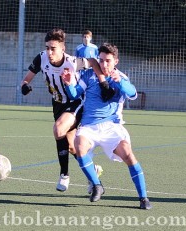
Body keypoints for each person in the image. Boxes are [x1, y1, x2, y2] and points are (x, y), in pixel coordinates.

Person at [20, 28, 114, 193]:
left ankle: (64, 175)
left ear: (62, 48)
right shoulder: (41, 58)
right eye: (47, 47)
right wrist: (25, 87)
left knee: (58, 129)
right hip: (57, 104)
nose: (49, 52)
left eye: (53, 48)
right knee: (71, 147)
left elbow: (92, 61)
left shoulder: (71, 62)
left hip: (75, 102)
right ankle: (93, 172)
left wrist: (103, 82)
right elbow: (26, 79)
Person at [62, 43, 152, 209]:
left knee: (128, 154)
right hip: (89, 126)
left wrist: (120, 83)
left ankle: (143, 198)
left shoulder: (121, 78)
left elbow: (133, 93)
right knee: (79, 146)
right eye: (101, 60)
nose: (104, 64)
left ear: (116, 61)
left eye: (108, 61)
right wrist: (68, 84)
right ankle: (97, 185)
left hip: (112, 127)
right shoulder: (89, 75)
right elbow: (75, 94)